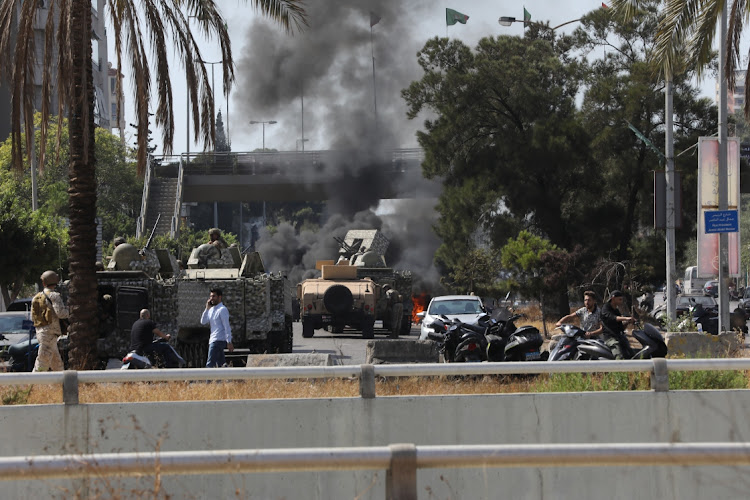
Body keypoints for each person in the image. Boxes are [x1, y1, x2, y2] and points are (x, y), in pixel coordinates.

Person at [31, 270, 69, 372]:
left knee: (57, 364)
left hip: (42, 333)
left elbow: (33, 317)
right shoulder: (54, 296)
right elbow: (61, 313)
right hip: (50, 334)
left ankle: (60, 385)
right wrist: (71, 311)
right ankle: (32, 385)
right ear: (56, 282)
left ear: (43, 282)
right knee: (41, 364)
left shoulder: (36, 297)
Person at [200, 288, 234, 367]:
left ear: (219, 297)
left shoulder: (222, 310)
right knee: (221, 363)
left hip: (218, 340)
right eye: (210, 296)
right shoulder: (211, 310)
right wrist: (207, 309)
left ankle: (208, 379)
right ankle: (227, 378)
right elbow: (203, 321)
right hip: (213, 339)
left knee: (210, 363)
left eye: (214, 296)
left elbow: (227, 326)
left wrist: (229, 341)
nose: (211, 298)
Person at [600, 290, 635, 359]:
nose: (621, 301)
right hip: (610, 338)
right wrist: (626, 318)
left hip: (619, 336)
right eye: (619, 299)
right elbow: (613, 318)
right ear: (613, 298)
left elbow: (620, 327)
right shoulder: (605, 308)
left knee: (631, 354)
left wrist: (628, 322)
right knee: (619, 355)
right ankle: (618, 368)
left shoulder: (616, 310)